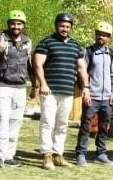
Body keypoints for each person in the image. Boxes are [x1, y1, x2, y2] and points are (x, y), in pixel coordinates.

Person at [34, 12, 90, 170]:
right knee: (47, 122)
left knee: (62, 124)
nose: (64, 29)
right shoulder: (46, 43)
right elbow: (37, 65)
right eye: (61, 26)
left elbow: (82, 68)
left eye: (67, 26)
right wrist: (42, 84)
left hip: (67, 91)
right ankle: (46, 155)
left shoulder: (76, 45)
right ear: (56, 26)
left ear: (71, 28)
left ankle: (58, 155)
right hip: (49, 91)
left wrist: (86, 88)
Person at [0, 10, 35, 168]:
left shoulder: (28, 42)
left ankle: (9, 155)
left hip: (20, 88)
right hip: (3, 86)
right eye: (13, 23)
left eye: (19, 24)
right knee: (3, 119)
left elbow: (31, 66)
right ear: (8, 24)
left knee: (16, 121)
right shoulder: (0, 40)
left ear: (23, 25)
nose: (16, 26)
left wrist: (34, 86)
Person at [75, 21, 113, 167]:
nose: (101, 37)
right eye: (99, 34)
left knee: (104, 127)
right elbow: (81, 73)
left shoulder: (111, 54)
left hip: (107, 98)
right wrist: (85, 91)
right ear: (95, 34)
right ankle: (81, 153)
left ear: (109, 37)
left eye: (104, 35)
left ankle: (101, 153)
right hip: (91, 96)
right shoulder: (88, 52)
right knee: (86, 126)